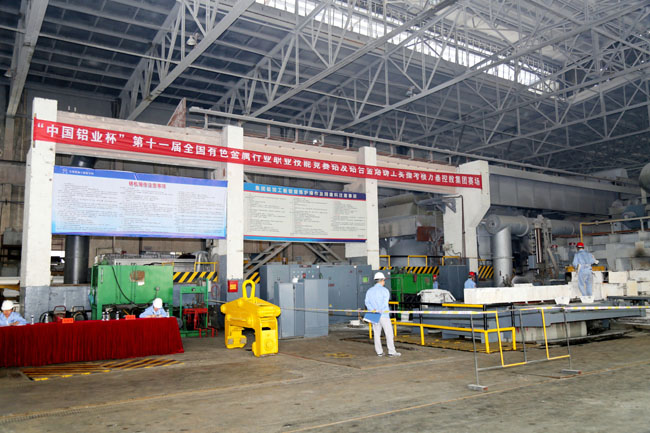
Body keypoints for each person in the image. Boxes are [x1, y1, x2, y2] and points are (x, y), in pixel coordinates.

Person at [365, 272, 400, 357]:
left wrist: (373, 310)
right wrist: (379, 310)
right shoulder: (385, 290)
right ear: (382, 280)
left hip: (374, 314)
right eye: (384, 280)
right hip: (384, 315)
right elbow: (384, 303)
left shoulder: (369, 291)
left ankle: (379, 352)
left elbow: (367, 302)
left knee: (376, 334)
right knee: (389, 333)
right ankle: (391, 352)